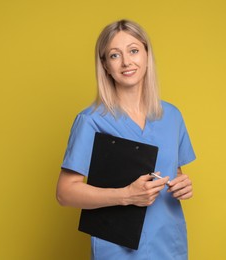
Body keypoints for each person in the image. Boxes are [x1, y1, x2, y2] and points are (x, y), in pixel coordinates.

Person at [56, 19, 196, 260]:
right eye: (114, 55)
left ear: (146, 55)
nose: (126, 62)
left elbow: (175, 171)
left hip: (168, 243)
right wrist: (127, 195)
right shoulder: (91, 121)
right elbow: (65, 193)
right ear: (105, 65)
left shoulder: (171, 116)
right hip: (118, 248)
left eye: (133, 50)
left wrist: (183, 184)